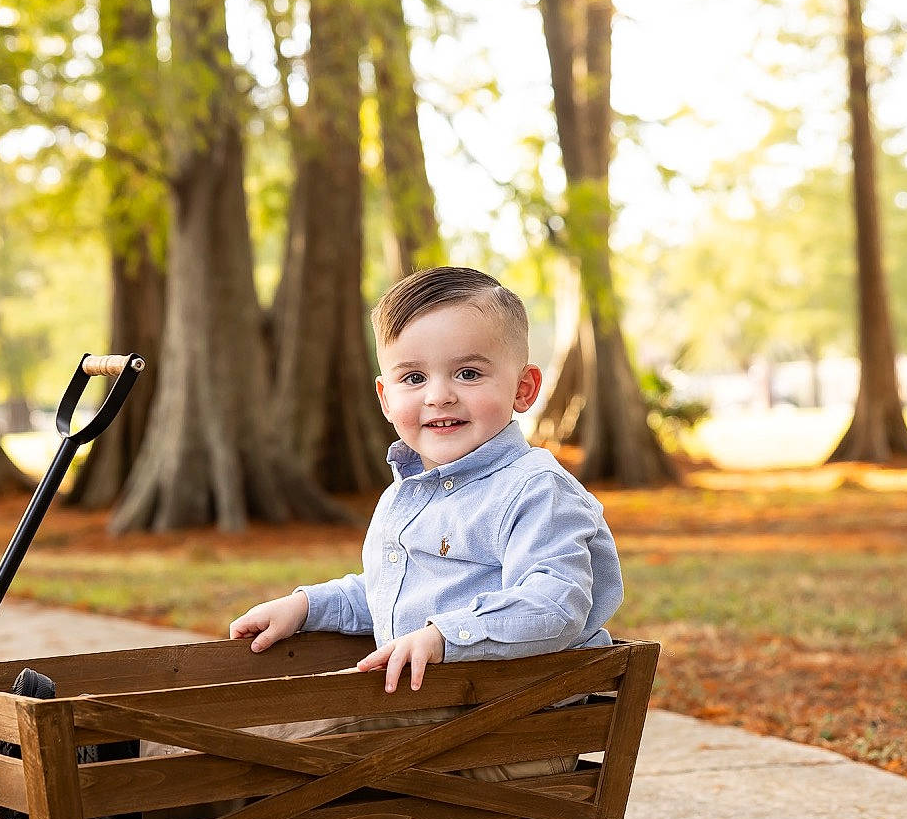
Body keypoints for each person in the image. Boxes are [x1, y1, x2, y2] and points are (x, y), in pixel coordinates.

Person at [226, 265, 624, 782]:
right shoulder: (406, 495)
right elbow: (399, 592)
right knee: (251, 709)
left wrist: (443, 638)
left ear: (524, 388)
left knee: (282, 732)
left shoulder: (535, 489)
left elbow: (554, 604)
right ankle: (112, 773)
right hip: (433, 712)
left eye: (469, 374)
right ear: (386, 397)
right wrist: (306, 606)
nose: (439, 395)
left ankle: (130, 811)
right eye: (414, 378)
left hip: (504, 731)